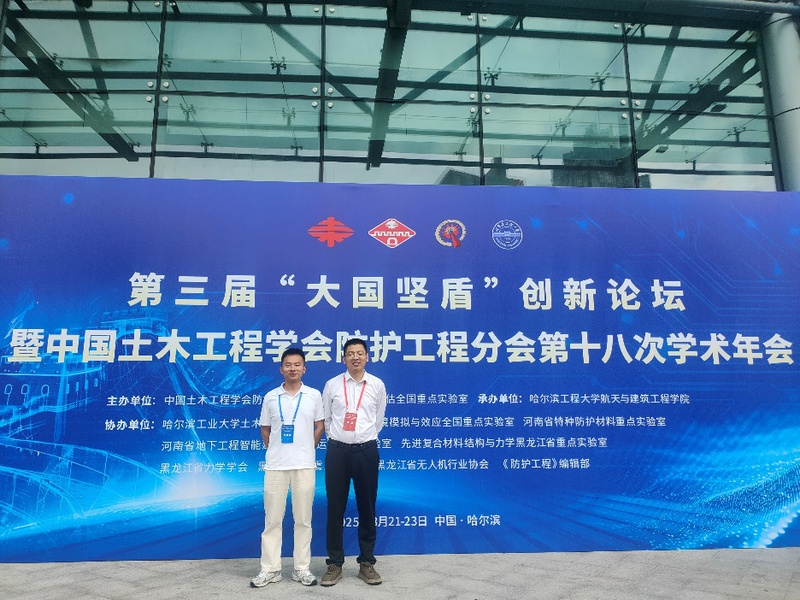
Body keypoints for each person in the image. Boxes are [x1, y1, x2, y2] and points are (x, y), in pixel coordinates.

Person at [251, 348, 324, 588]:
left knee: (303, 520)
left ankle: (301, 569)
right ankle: (270, 569)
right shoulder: (271, 397)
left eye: (297, 364)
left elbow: (320, 426)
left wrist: (307, 448)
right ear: (281, 369)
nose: (293, 368)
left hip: (304, 465)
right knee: (272, 521)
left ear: (304, 368)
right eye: (288, 365)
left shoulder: (313, 395)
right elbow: (265, 429)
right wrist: (277, 450)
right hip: (276, 466)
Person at [320, 338, 387, 586]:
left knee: (367, 507)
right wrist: (340, 439)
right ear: (344, 358)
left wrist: (361, 439)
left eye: (360, 353)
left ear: (367, 357)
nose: (355, 357)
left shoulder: (377, 385)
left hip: (366, 451)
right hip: (337, 451)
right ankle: (334, 563)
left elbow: (378, 420)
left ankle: (366, 562)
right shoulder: (332, 385)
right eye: (350, 353)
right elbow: (327, 419)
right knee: (335, 508)